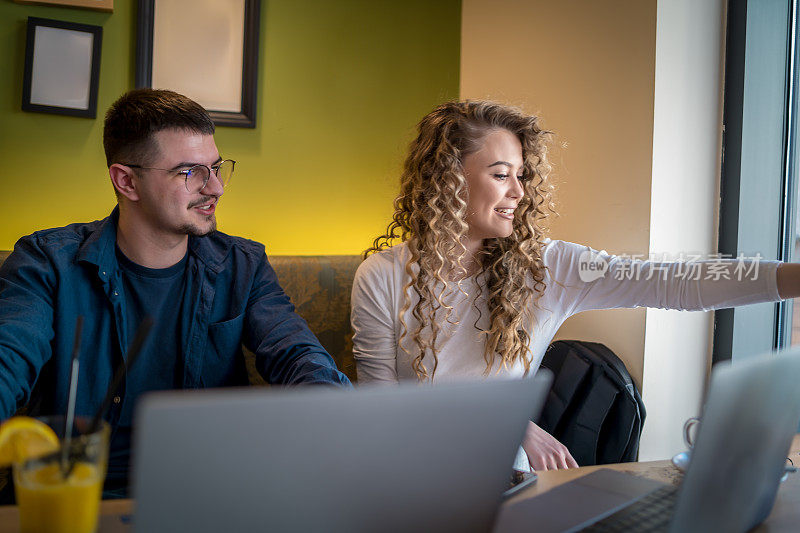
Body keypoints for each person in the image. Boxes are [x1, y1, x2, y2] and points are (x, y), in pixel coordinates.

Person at [351, 100, 800, 472]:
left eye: (521, 176)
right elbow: (382, 413)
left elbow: (674, 281)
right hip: (407, 479)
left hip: (506, 482)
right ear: (449, 180)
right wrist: (514, 425)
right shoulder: (382, 277)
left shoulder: (546, 267)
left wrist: (793, 278)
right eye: (501, 174)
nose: (519, 193)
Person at [0, 89, 351, 498]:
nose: (216, 187)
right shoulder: (47, 263)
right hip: (71, 497)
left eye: (216, 167)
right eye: (191, 173)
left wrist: (337, 417)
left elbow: (297, 355)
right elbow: (9, 356)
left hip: (204, 496)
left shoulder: (243, 265)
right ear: (126, 180)